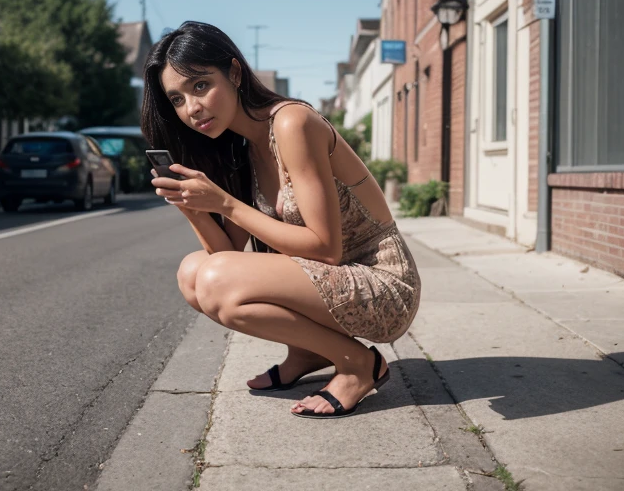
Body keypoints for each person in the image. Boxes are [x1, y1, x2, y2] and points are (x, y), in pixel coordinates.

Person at [141, 21, 421, 419]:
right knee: (193, 273)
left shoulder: (292, 123)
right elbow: (227, 257)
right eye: (177, 99)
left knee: (214, 276)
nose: (192, 108)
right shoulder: (241, 150)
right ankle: (308, 351)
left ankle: (358, 364)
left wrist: (226, 204)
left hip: (383, 283)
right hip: (334, 282)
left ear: (235, 73)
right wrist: (195, 210)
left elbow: (326, 248)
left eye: (200, 85)